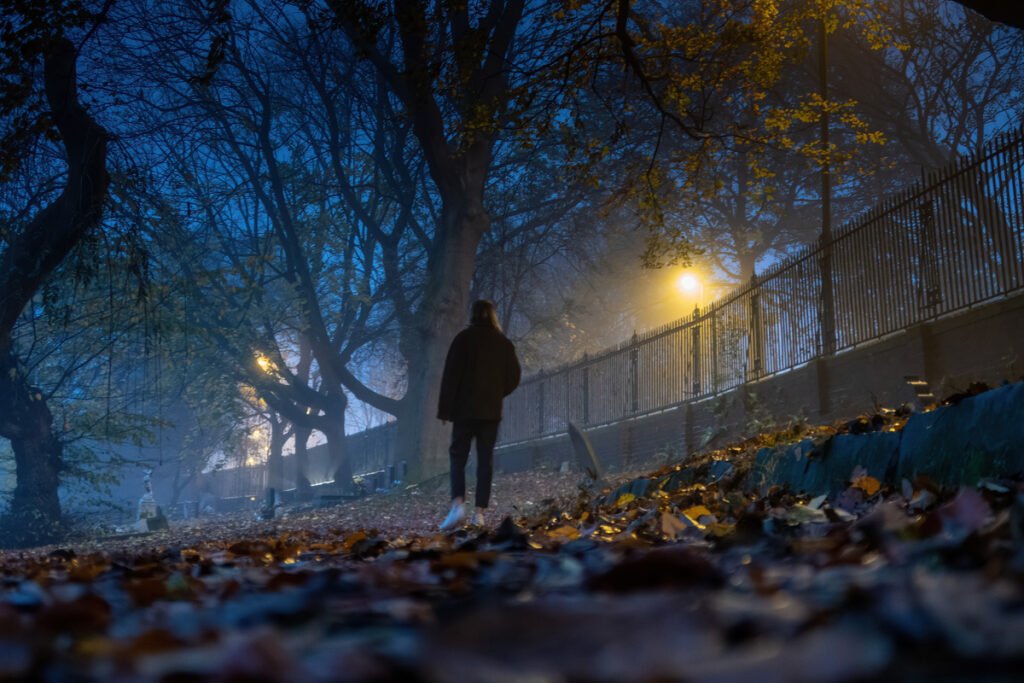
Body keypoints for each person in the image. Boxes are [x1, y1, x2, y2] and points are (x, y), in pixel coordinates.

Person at [437, 299, 521, 530]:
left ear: (472, 314)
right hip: (490, 411)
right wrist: (497, 393)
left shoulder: (463, 340)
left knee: (458, 457)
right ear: (493, 315)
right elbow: (514, 377)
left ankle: (458, 506)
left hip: (464, 411)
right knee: (485, 461)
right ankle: (480, 513)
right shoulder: (503, 343)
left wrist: (446, 409)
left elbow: (450, 376)